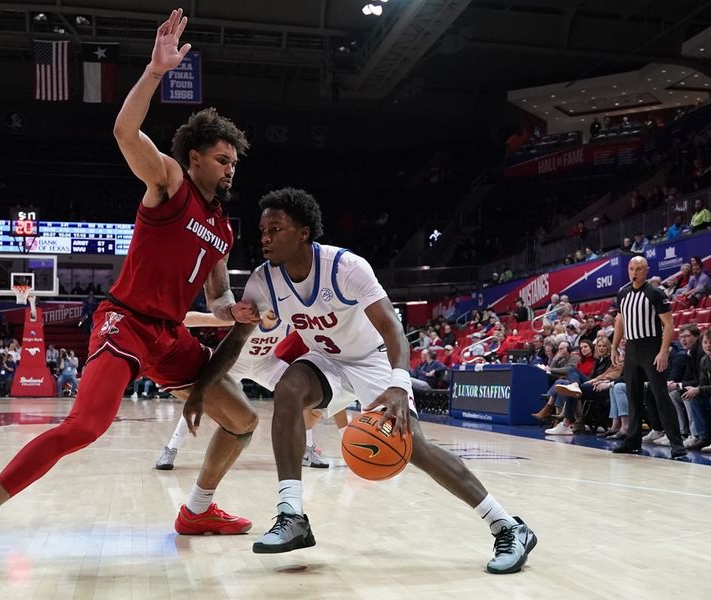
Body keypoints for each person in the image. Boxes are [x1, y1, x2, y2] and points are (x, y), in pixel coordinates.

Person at [0, 9, 258, 575]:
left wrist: (237, 311)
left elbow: (218, 303)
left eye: (234, 164)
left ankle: (197, 510)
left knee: (243, 419)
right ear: (195, 156)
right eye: (223, 159)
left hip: (170, 337)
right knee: (85, 426)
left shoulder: (223, 229)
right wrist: (153, 72)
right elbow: (125, 133)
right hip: (125, 322)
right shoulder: (169, 181)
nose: (230, 170)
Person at [186, 188, 536, 574]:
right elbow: (237, 339)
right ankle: (292, 516)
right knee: (288, 388)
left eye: (276, 228)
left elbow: (393, 330)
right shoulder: (263, 281)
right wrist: (201, 389)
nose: (265, 237)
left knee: (414, 447)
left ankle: (508, 526)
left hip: (373, 360)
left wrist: (399, 384)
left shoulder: (345, 267)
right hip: (328, 360)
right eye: (263, 230)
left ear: (303, 232)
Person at [156, 312, 340, 470]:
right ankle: (170, 448)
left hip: (265, 365)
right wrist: (172, 319)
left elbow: (320, 327)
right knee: (201, 400)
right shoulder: (247, 317)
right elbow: (200, 317)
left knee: (302, 389)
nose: (272, 308)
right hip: (234, 364)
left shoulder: (289, 320)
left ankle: (306, 451)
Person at [611, 256, 685, 458]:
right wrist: (614, 347)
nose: (634, 272)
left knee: (661, 396)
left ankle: (676, 444)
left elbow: (669, 325)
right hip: (632, 349)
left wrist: (663, 351)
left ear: (647, 270)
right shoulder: (623, 293)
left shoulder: (655, 293)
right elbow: (620, 321)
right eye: (632, 268)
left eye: (639, 269)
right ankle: (632, 441)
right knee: (633, 398)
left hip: (652, 347)